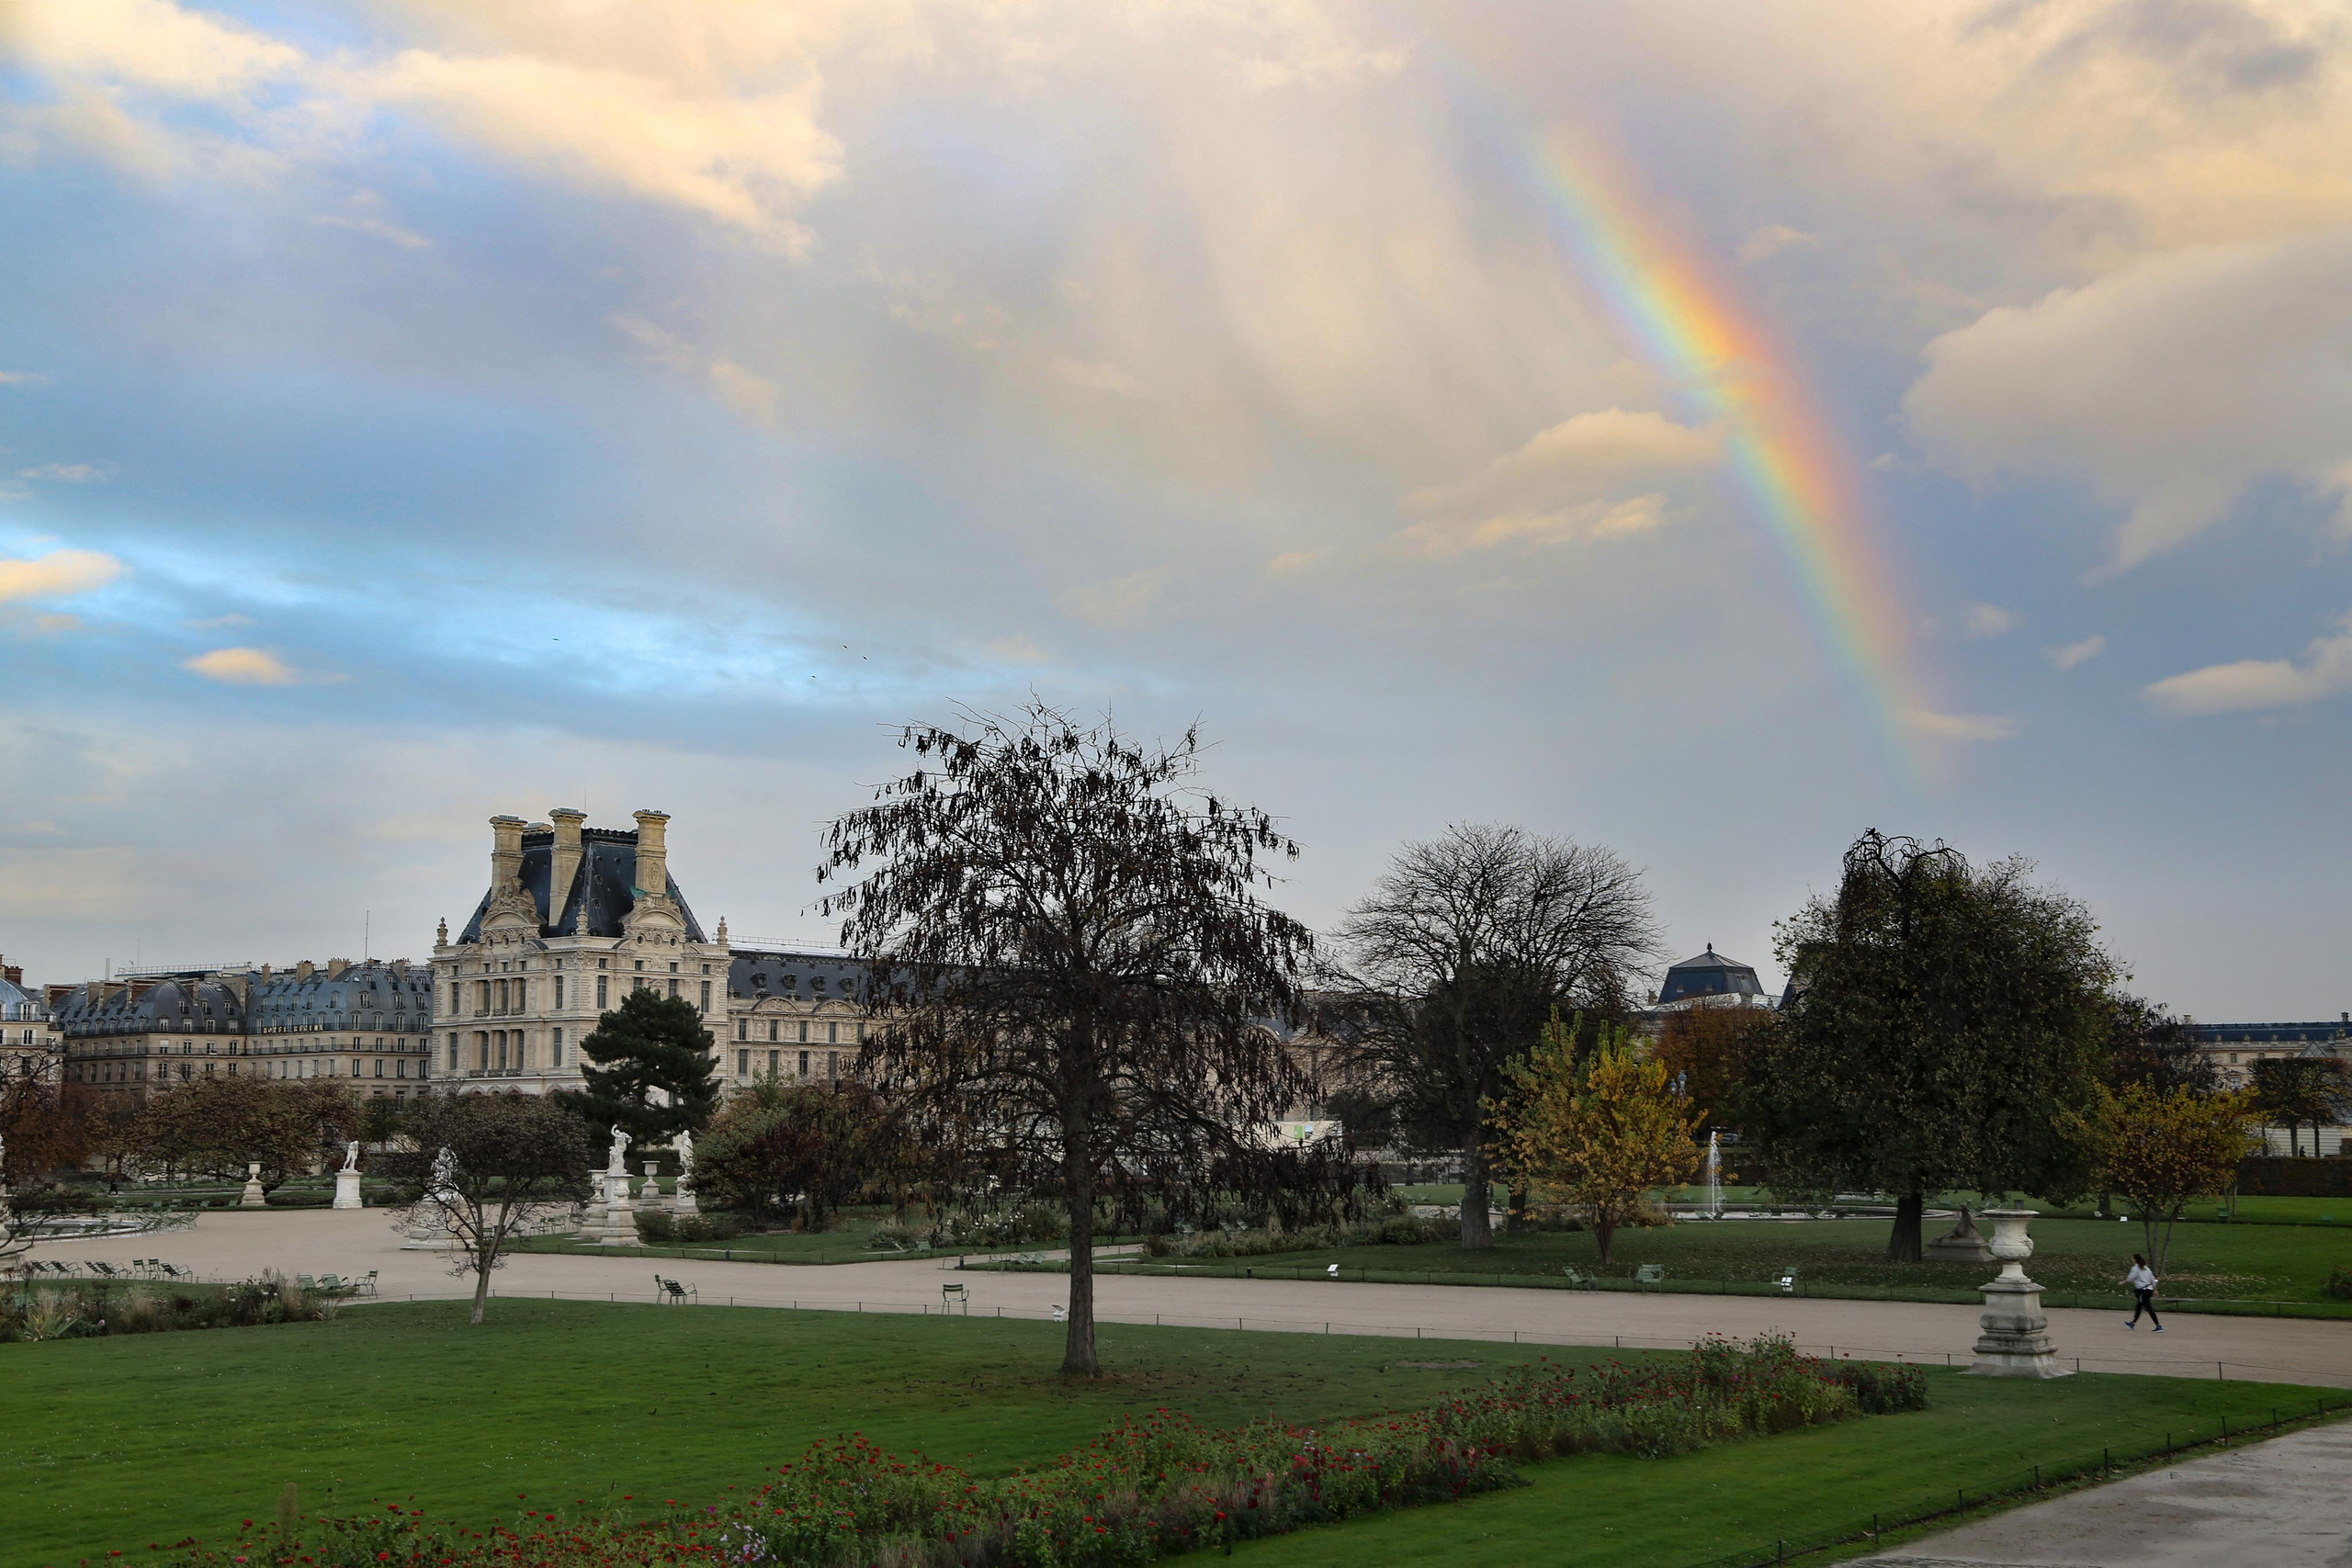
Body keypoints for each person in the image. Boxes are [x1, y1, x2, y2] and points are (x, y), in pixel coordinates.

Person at [2124, 1254, 2163, 1331]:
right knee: (2139, 1306)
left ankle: (2158, 1326)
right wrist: (2155, 1290)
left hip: (2142, 1291)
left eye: (2132, 1259)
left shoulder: (2135, 1268)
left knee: (2149, 1308)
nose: (2132, 1260)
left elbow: (2130, 1279)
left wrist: (2123, 1282)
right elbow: (2152, 1279)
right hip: (2148, 1290)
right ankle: (2133, 1323)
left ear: (2135, 1260)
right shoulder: (2146, 1268)